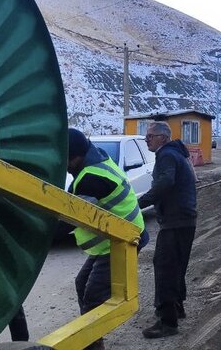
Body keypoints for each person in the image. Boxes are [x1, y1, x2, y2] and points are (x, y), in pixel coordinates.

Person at [67, 128, 149, 350]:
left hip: (123, 241)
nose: (64, 166)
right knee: (81, 283)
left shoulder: (91, 178)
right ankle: (93, 340)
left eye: (66, 160)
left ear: (75, 157)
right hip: (112, 241)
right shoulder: (97, 160)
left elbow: (71, 213)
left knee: (93, 297)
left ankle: (92, 345)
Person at [138, 122, 197, 339]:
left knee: (164, 268)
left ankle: (167, 322)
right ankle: (177, 308)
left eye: (150, 136)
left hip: (175, 220)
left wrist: (140, 203)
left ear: (163, 138)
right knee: (177, 266)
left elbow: (165, 182)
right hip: (185, 220)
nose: (147, 140)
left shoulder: (166, 156)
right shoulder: (177, 154)